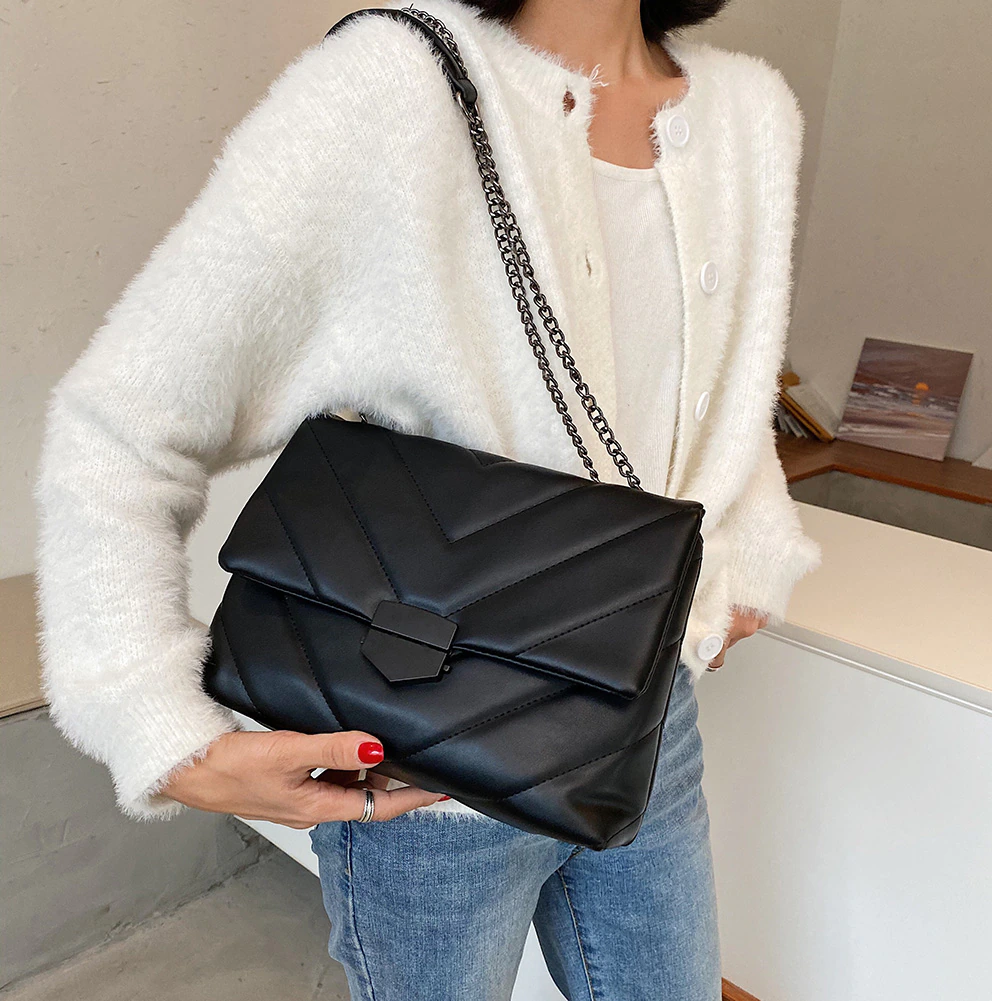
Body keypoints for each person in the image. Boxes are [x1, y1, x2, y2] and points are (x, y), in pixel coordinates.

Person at [34, 0, 821, 997]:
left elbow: (729, 384)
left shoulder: (750, 112)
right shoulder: (391, 89)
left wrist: (743, 558)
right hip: (419, 761)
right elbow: (122, 420)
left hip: (649, 723)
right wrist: (156, 722)